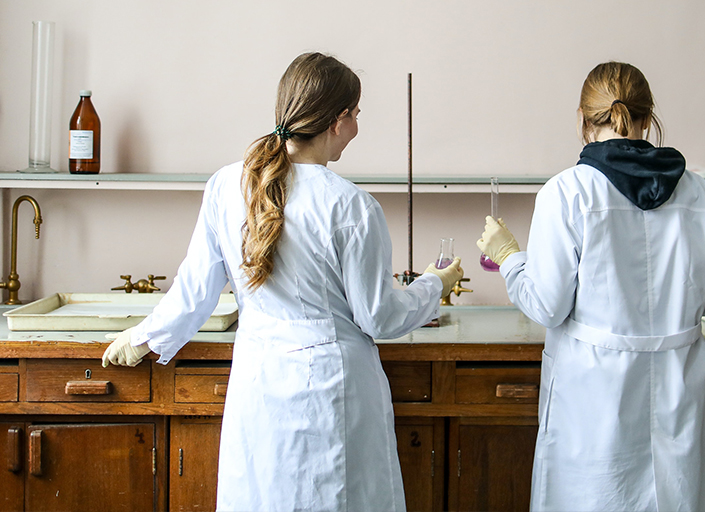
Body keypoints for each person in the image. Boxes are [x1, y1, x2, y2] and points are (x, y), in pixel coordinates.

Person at [102, 52, 463, 511]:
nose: (356, 127)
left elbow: (196, 289)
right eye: (356, 115)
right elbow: (379, 317)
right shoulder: (350, 206)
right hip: (332, 385)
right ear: (338, 120)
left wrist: (143, 337)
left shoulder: (227, 186)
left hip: (260, 381)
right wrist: (433, 285)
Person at [477, 61, 705, 511]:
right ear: (647, 117)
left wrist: (509, 256)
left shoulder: (567, 193)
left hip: (594, 398)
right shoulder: (698, 193)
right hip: (679, 390)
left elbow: (547, 305)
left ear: (582, 118)